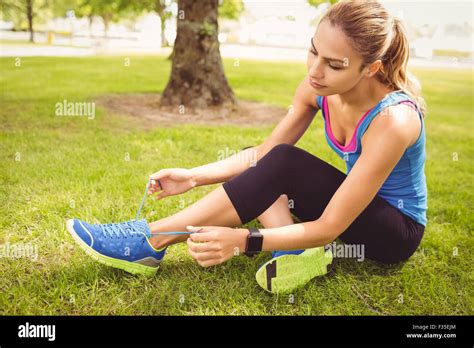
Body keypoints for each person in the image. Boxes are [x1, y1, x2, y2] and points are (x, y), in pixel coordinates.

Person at [67, 0, 427, 294]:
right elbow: (263, 155)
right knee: (269, 158)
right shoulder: (317, 88)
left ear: (371, 68)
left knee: (283, 162)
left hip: (393, 232)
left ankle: (150, 240)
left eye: (334, 65)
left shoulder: (394, 120)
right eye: (313, 52)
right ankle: (297, 251)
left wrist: (244, 240)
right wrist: (193, 177)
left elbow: (332, 225)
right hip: (354, 208)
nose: (315, 71)